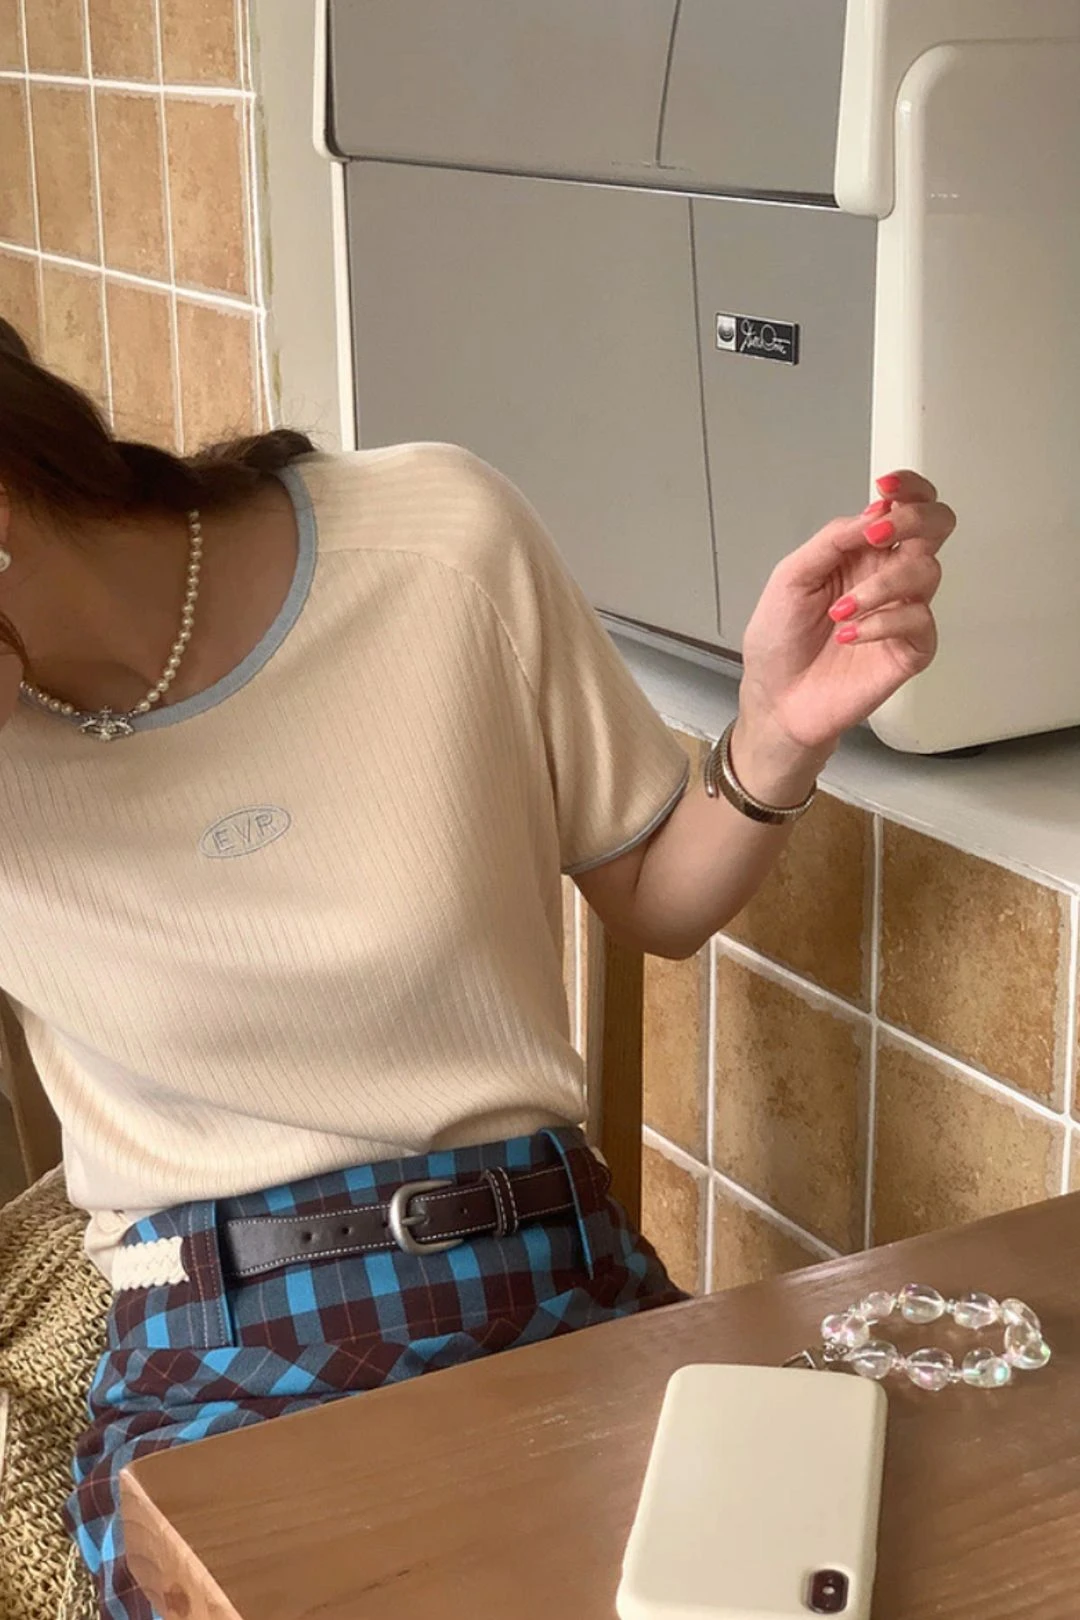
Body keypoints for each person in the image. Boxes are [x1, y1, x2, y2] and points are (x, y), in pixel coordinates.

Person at [0, 314, 955, 1620]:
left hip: (552, 1279)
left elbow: (656, 899)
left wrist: (777, 734)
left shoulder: (436, 543)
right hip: (213, 1351)